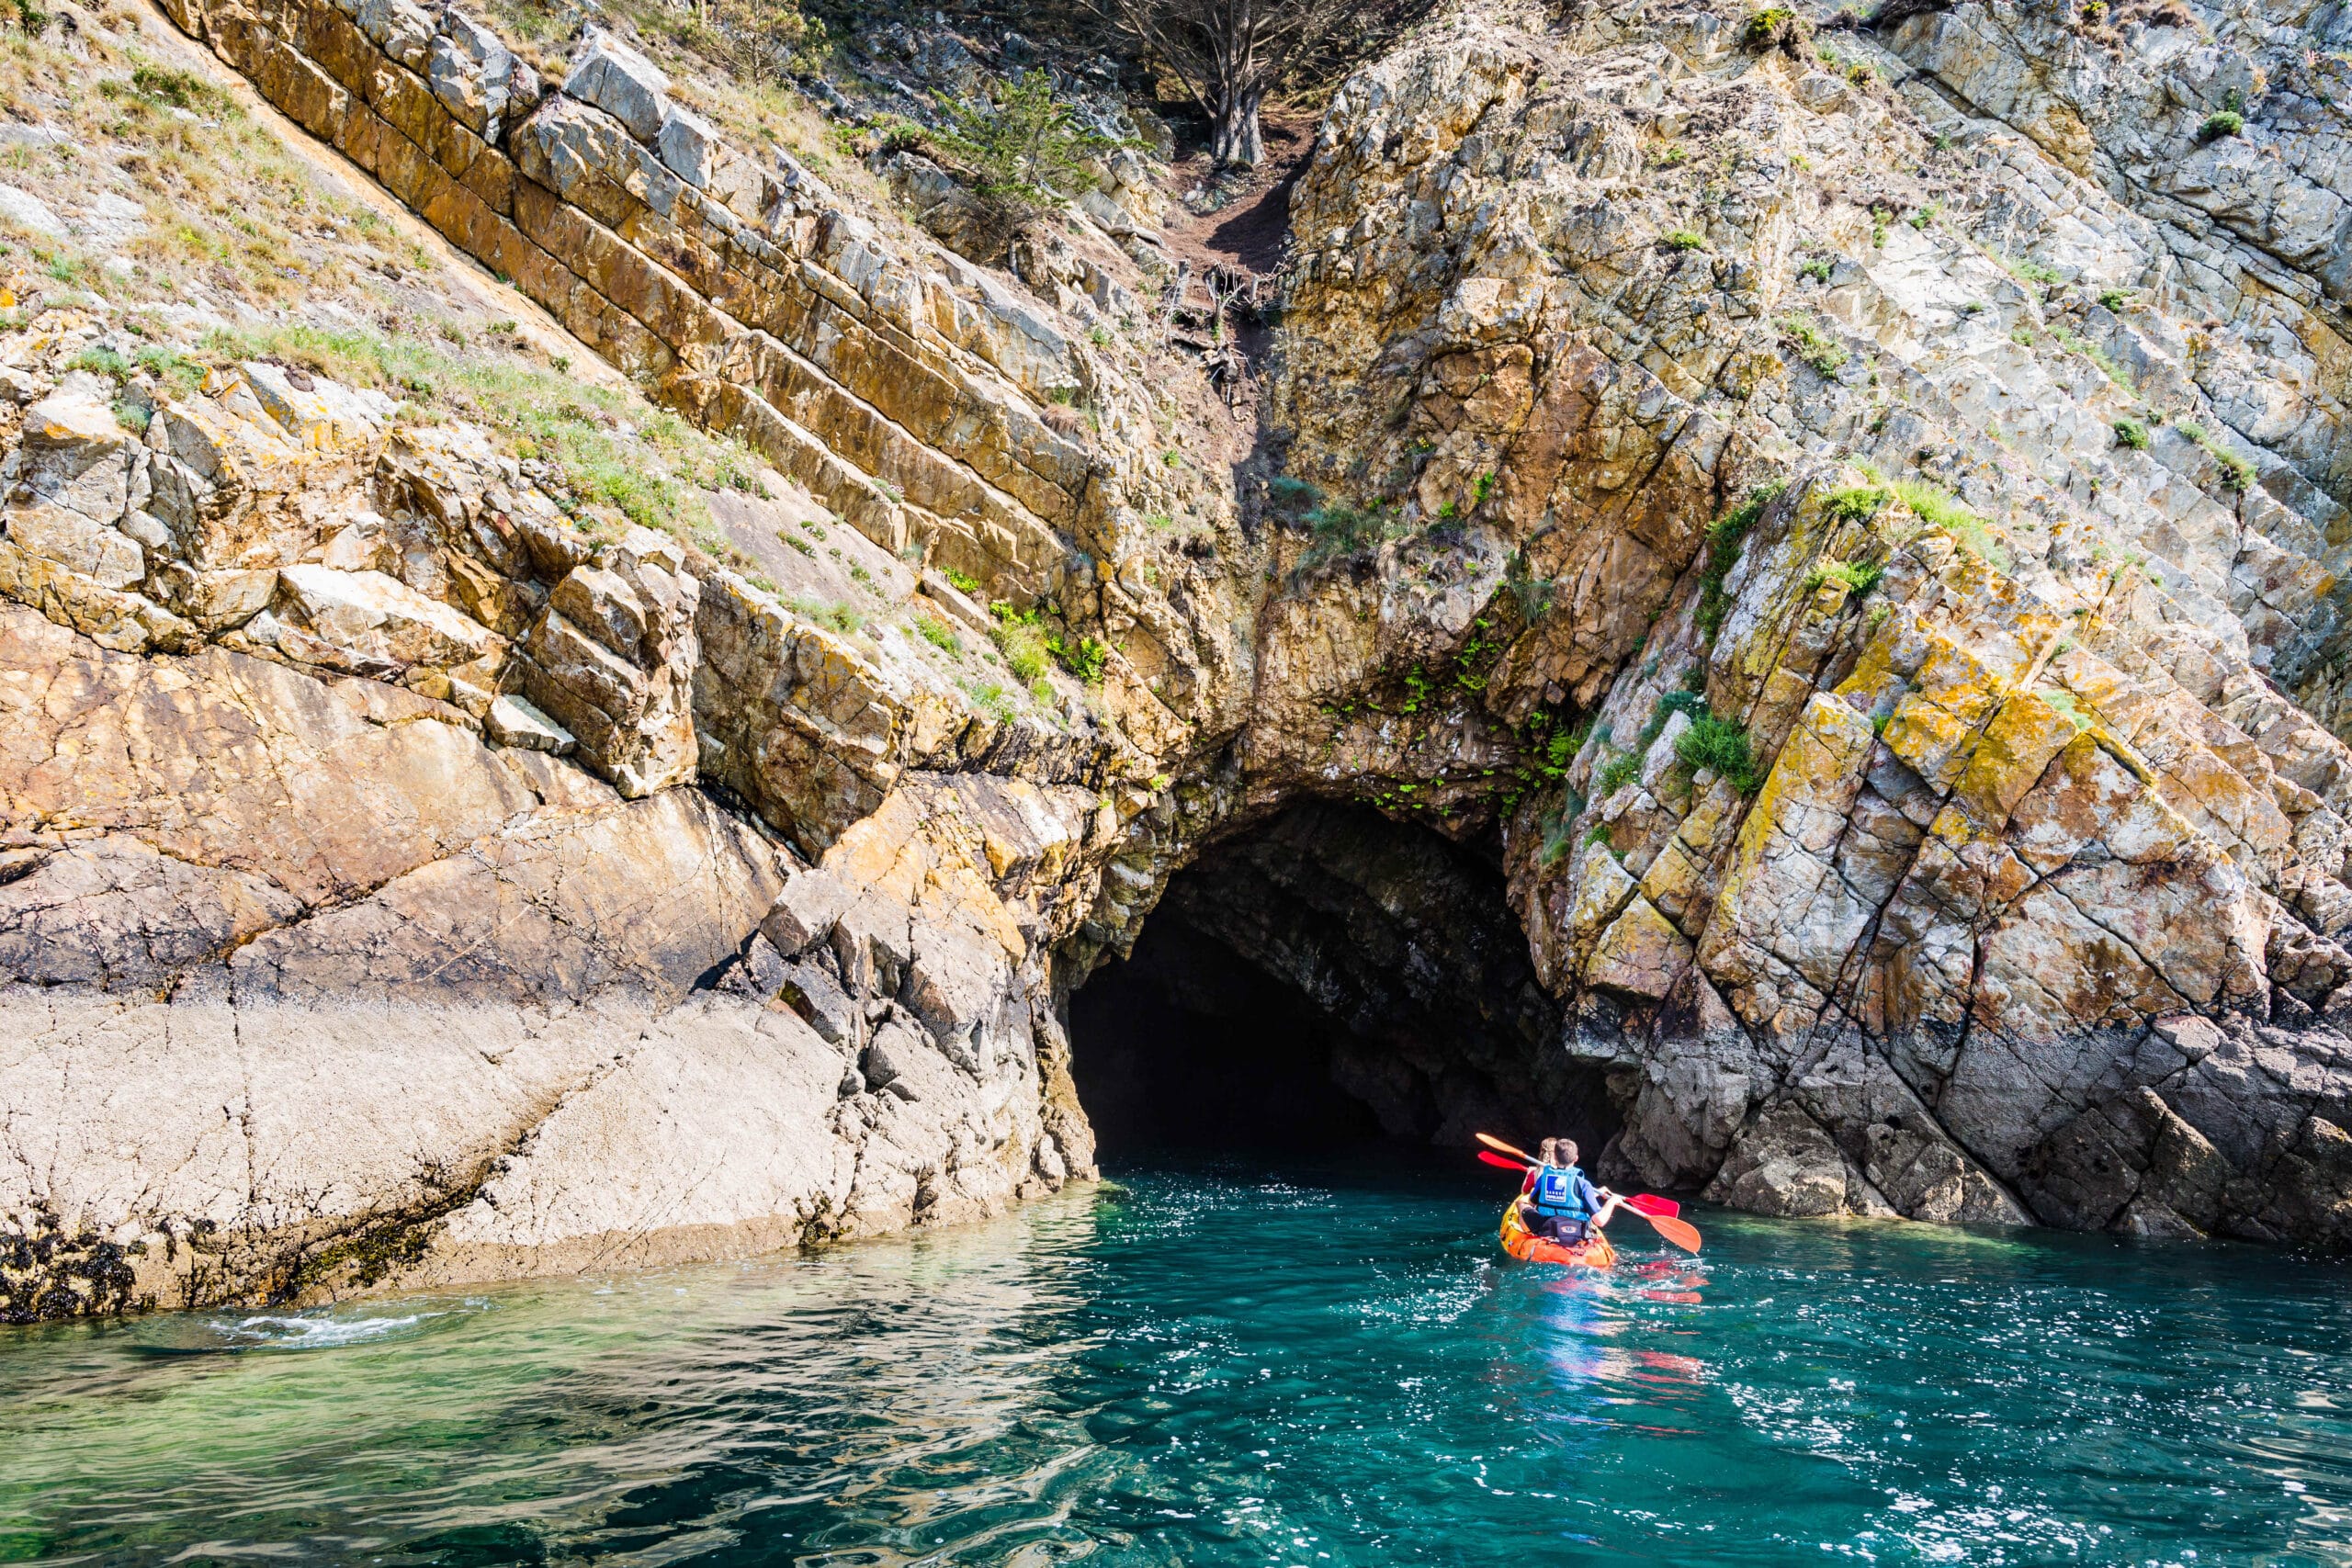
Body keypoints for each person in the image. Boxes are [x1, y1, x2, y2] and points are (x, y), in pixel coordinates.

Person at [1517, 1137, 1623, 1245]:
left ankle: (1527, 1235)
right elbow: (1599, 1220)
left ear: (1554, 1157)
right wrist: (1612, 1201)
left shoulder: (1544, 1177)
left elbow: (1532, 1202)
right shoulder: (1583, 1184)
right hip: (1577, 1231)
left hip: (1547, 1228)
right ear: (1576, 1158)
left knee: (1522, 1204)